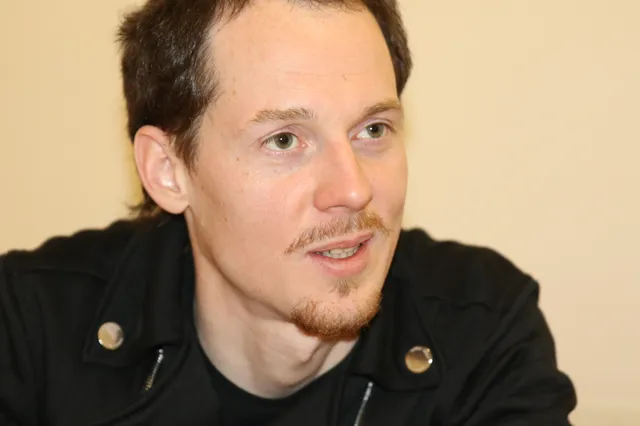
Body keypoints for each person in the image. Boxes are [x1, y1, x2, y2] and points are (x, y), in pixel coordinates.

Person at [0, 0, 577, 425]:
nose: (353, 190)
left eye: (373, 130)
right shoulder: (31, 328)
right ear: (169, 170)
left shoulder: (481, 330)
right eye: (283, 140)